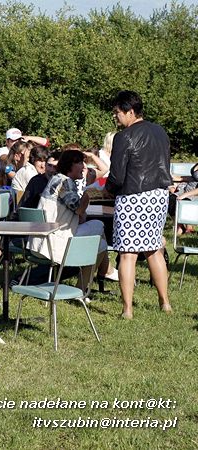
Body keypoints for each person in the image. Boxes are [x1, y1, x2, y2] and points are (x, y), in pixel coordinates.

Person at [106, 90, 172, 319]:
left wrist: (108, 191)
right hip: (159, 196)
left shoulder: (124, 137)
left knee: (127, 254)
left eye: (117, 113)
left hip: (133, 197)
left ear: (130, 112)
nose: (115, 117)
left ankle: (127, 309)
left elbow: (116, 176)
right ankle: (165, 303)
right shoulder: (160, 131)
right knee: (154, 249)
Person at [28, 150, 118, 282]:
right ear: (70, 165)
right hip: (53, 242)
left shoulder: (56, 178)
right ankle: (95, 279)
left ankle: (103, 273)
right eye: (80, 162)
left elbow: (80, 217)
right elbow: (80, 211)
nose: (84, 167)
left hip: (39, 241)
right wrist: (89, 192)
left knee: (100, 243)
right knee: (99, 231)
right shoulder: (65, 182)